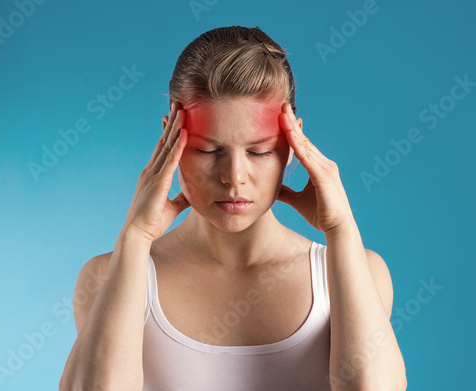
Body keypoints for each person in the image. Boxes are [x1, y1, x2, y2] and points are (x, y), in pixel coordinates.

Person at [60, 26, 407, 391]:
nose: (234, 177)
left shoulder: (358, 270)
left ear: (293, 145)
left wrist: (341, 229)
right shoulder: (106, 276)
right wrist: (135, 237)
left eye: (259, 151)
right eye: (209, 151)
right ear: (168, 140)